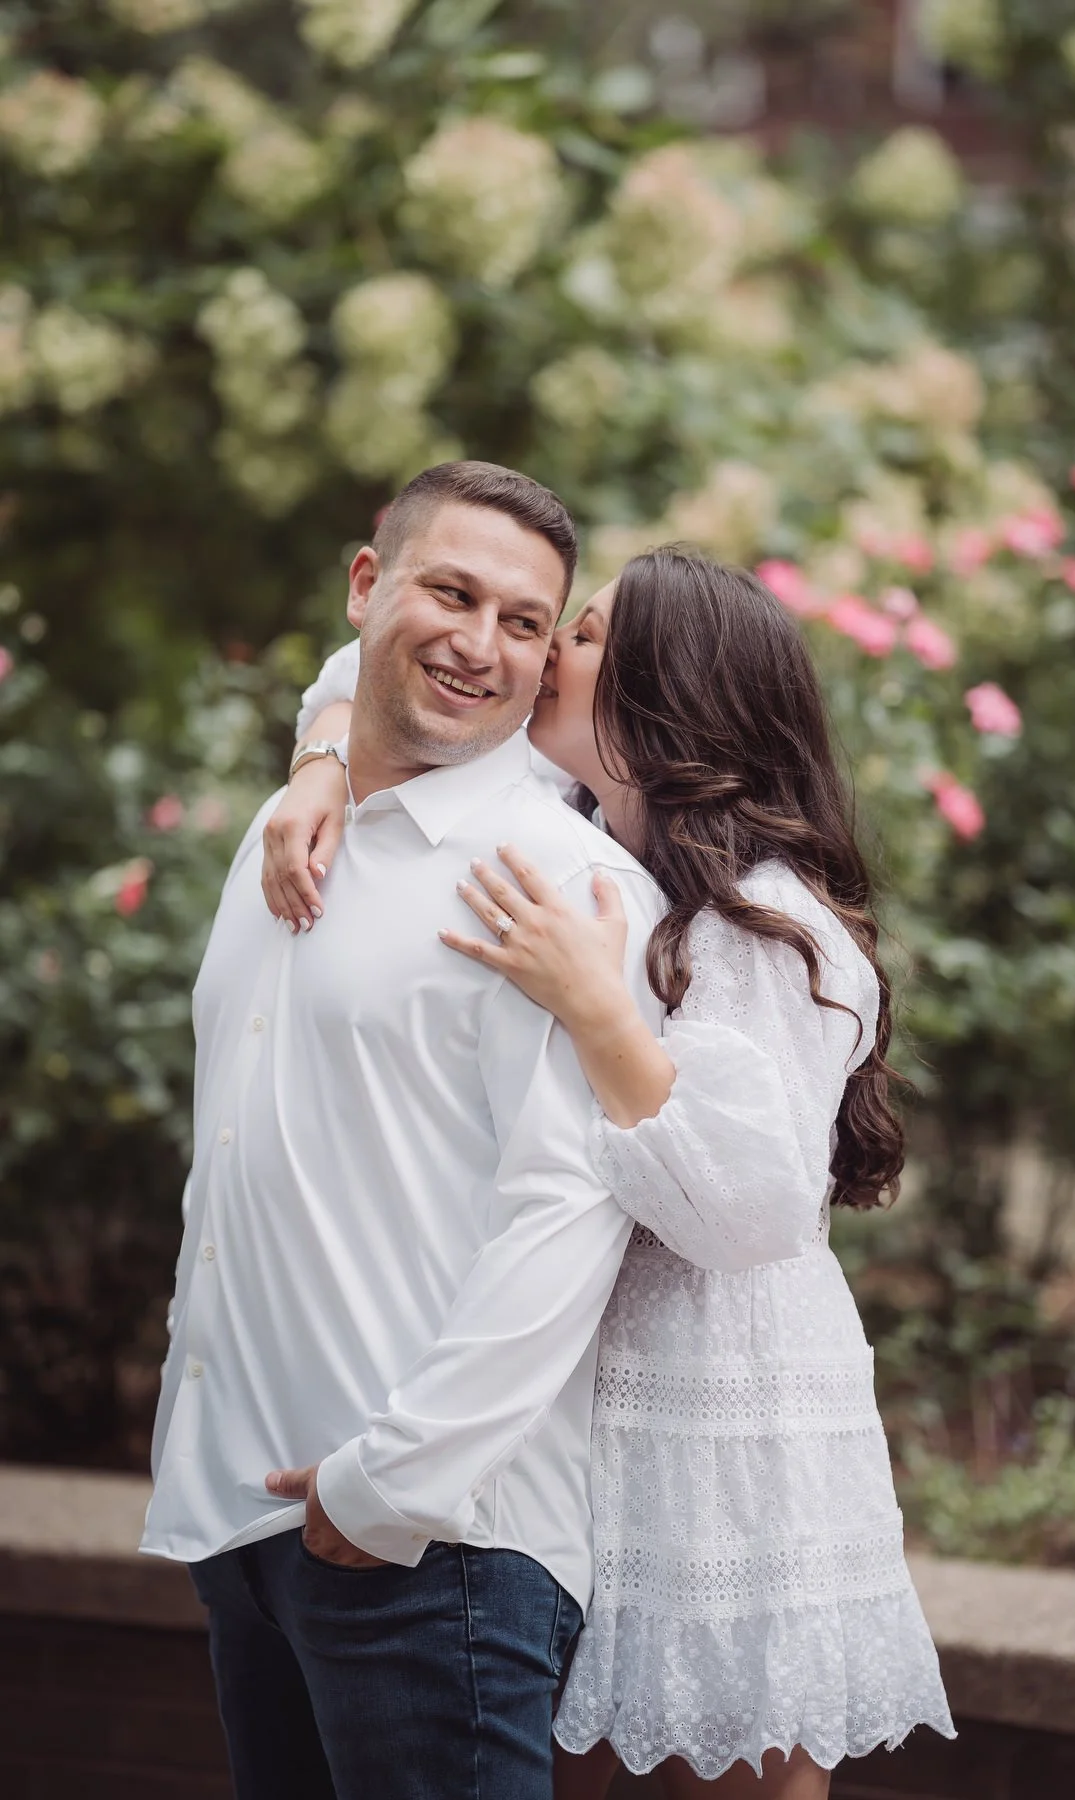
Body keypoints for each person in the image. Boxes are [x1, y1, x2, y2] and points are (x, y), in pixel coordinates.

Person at [266, 545, 955, 1797]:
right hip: (597, 1421)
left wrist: (604, 1016)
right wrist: (319, 761)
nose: (534, 659)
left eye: (577, 638)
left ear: (662, 696)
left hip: (726, 1417)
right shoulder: (580, 828)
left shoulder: (771, 919)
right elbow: (368, 665)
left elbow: (749, 1213)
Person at [140, 461, 664, 1800]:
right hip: (253, 1523)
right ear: (366, 589)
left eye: (525, 622)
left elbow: (570, 1212)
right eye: (450, 592)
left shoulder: (559, 880)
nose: (480, 645)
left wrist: (392, 1489)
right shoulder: (289, 826)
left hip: (439, 1554)